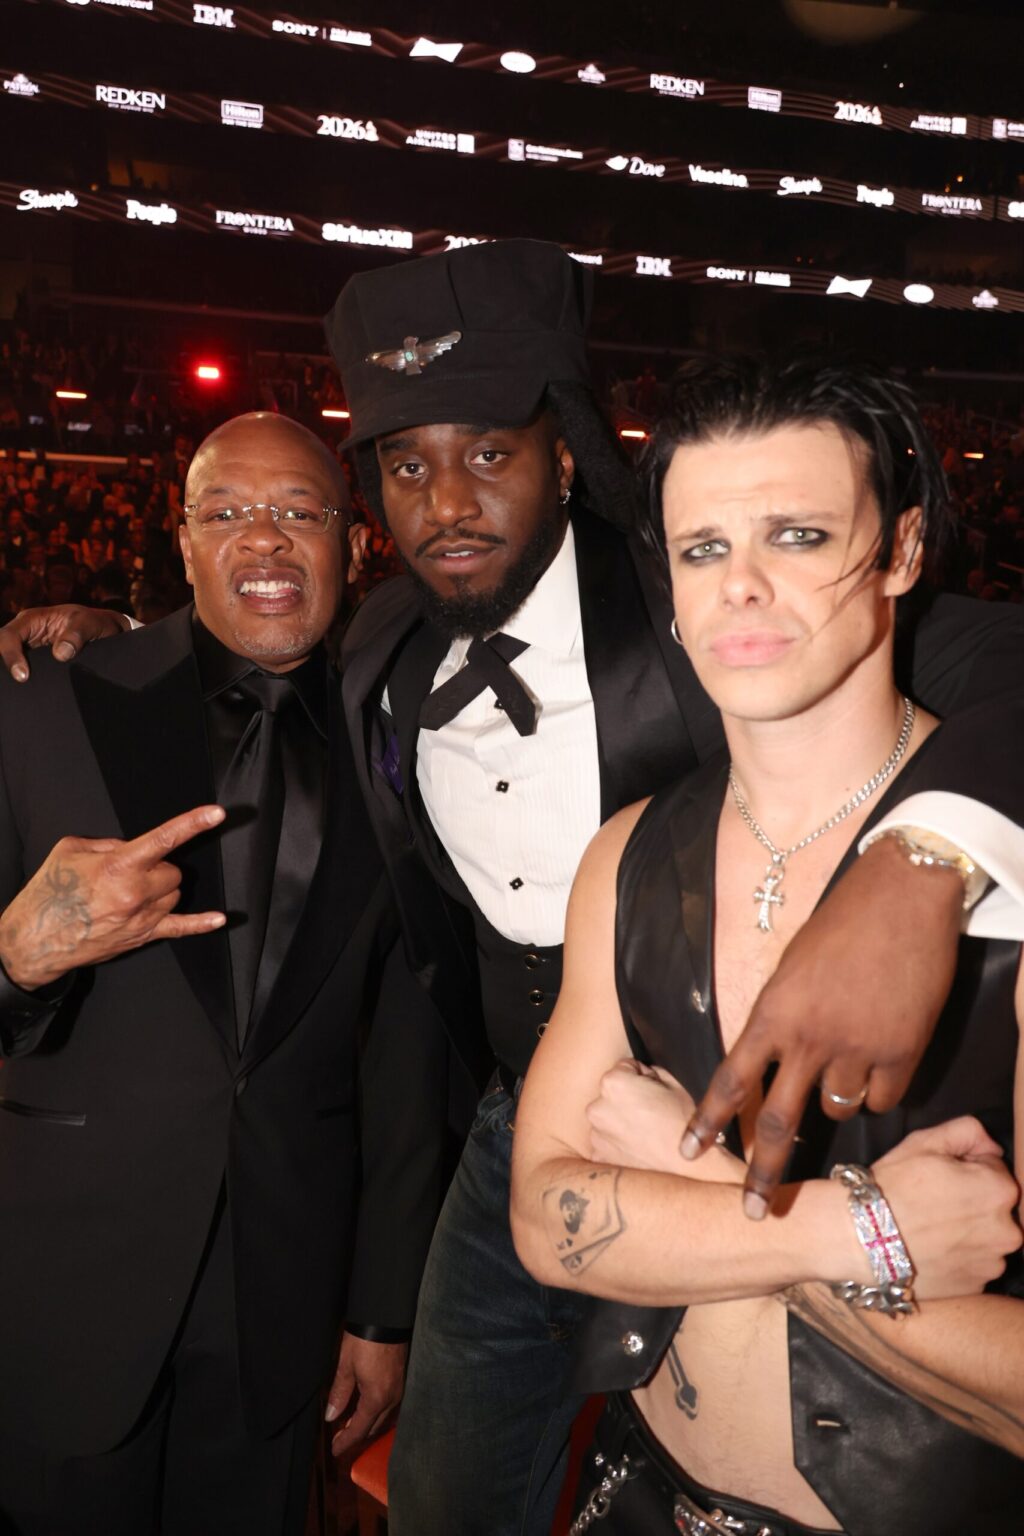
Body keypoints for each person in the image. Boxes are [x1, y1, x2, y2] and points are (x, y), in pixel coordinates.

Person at [5, 243, 1024, 1535]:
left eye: (489, 450)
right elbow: (240, 679)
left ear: (563, 449)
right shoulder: (373, 642)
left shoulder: (707, 586)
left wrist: (917, 866)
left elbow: (1003, 668)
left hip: (733, 1104)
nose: (448, 501)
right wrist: (104, 641)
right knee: (448, 1495)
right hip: (504, 1130)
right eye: (406, 464)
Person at [510, 355, 1024, 1536]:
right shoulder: (629, 852)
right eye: (702, 550)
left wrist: (690, 1190)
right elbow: (545, 1222)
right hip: (634, 1491)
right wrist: (863, 1234)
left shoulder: (994, 872)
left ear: (897, 553)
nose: (739, 587)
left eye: (794, 536)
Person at [0, 413, 447, 1536]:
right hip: (63, 1286)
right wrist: (19, 961)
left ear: (352, 549)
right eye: (229, 513)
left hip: (282, 1304)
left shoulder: (409, 744)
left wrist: (382, 1312)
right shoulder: (40, 699)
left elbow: (407, 1054)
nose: (265, 540)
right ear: (183, 539)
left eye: (299, 512)